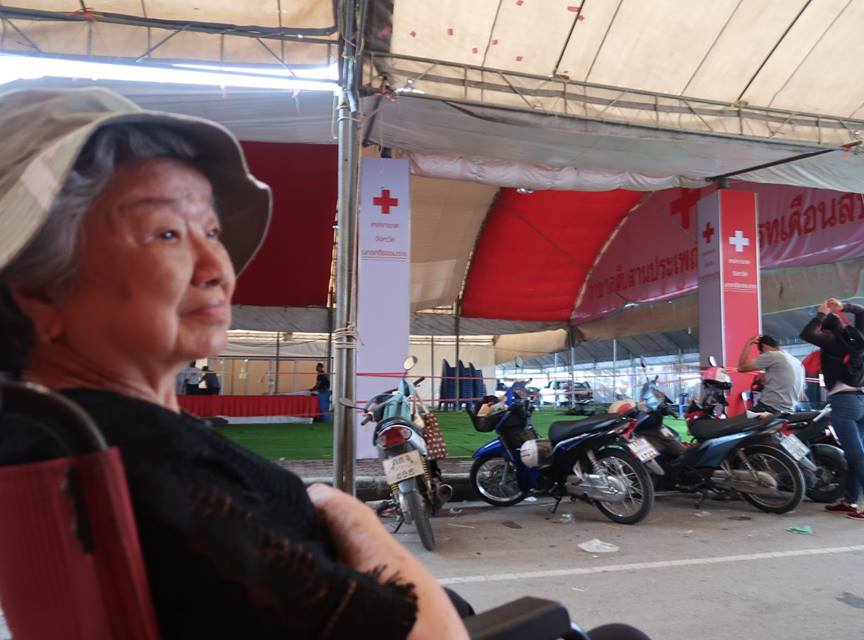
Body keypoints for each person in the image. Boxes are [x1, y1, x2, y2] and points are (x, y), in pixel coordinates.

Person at [0, 88, 649, 640]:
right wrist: (354, 519)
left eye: (212, 231)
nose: (217, 266)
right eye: (166, 233)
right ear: (39, 289)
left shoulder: (59, 440)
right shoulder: (158, 472)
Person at [800, 298, 864, 521]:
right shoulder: (860, 339)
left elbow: (807, 333)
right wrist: (844, 307)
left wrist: (820, 313)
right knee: (854, 455)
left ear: (826, 330)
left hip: (845, 404)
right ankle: (850, 500)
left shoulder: (833, 342)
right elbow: (861, 311)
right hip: (863, 403)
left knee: (858, 457)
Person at [737, 334, 804, 414]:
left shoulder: (772, 355)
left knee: (737, 421)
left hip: (769, 408)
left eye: (761, 353)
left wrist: (749, 343)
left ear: (764, 347)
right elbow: (801, 395)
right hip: (789, 411)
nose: (762, 356)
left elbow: (741, 367)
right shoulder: (797, 362)